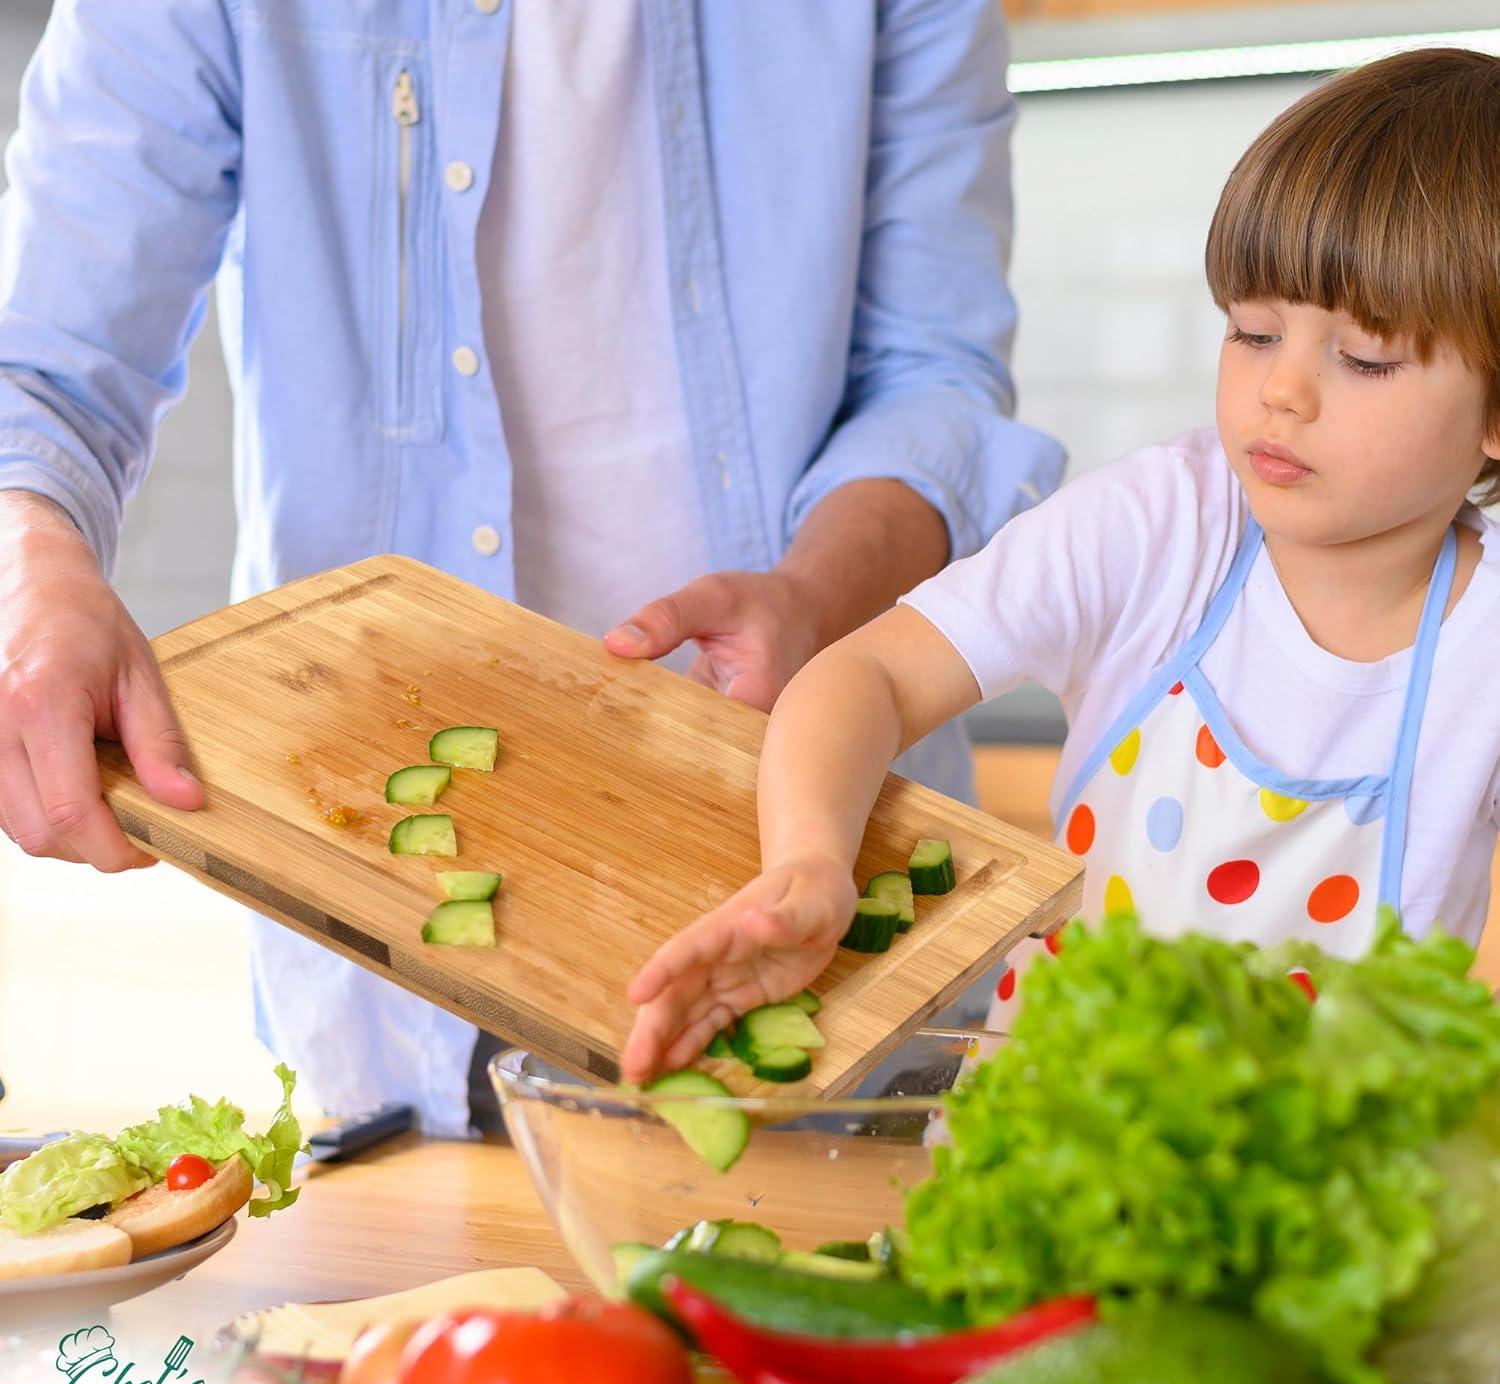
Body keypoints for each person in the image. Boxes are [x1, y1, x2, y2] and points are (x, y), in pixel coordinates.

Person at [0, 3, 1063, 1135]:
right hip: (391, 946)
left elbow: (932, 379)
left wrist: (815, 598)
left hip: (832, 909)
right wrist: (34, 570)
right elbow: (46, 370)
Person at [620, 46, 1500, 1084]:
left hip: (1318, 1214)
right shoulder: (1164, 526)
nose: (1283, 393)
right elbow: (869, 675)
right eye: (1253, 332)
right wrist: (810, 867)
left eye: (1362, 359)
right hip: (1038, 1148)